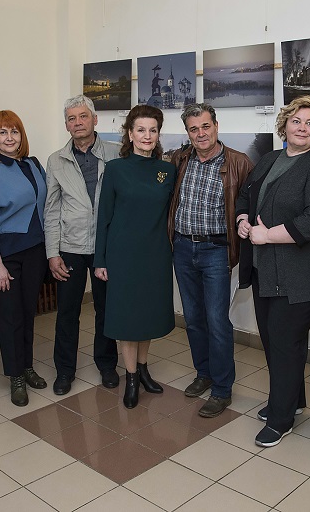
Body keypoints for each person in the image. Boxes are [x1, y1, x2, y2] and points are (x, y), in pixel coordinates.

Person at [235, 95, 310, 447]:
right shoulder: (269, 159)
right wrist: (243, 219)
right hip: (266, 271)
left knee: (284, 343)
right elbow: (245, 194)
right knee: (274, 340)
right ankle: (292, 401)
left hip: (300, 277)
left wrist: (267, 236)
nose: (303, 128)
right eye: (297, 121)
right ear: (284, 126)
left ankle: (281, 419)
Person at [168, 103, 253, 418]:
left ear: (216, 125)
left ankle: (221, 389)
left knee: (217, 321)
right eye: (194, 129)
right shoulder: (180, 160)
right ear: (187, 133)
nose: (201, 134)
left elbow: (250, 206)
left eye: (205, 126)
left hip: (216, 251)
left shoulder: (239, 163)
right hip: (182, 248)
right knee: (193, 318)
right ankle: (203, 373)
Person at [94, 105, 175, 409]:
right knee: (128, 319)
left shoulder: (168, 171)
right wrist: (100, 260)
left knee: (147, 315)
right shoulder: (115, 169)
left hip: (155, 255)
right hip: (123, 256)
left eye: (153, 130)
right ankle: (130, 378)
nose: (147, 136)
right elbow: (103, 217)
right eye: (141, 130)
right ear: (130, 134)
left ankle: (142, 370)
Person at [0, 110, 48, 407]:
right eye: (2, 132)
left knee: (28, 314)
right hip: (4, 256)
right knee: (10, 318)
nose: (9, 138)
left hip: (35, 251)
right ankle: (15, 376)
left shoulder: (33, 165)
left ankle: (26, 366)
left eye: (14, 132)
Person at [45, 95, 120, 395]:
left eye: (83, 116)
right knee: (67, 312)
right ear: (66, 125)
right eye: (71, 119)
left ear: (95, 119)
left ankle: (107, 365)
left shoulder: (115, 154)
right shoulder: (56, 160)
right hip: (70, 247)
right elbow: (51, 210)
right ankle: (64, 371)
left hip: (105, 247)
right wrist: (52, 253)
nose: (77, 123)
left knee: (106, 309)